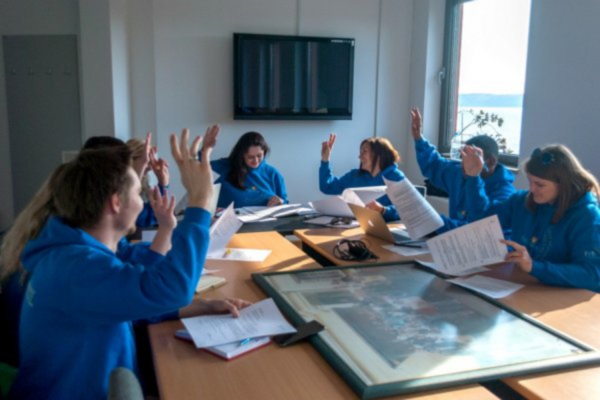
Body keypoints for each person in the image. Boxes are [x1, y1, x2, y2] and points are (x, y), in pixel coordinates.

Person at [8, 129, 250, 399]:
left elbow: (123, 300)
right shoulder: (76, 269)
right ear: (116, 202)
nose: (142, 202)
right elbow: (173, 288)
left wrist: (200, 307)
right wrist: (200, 203)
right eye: (137, 192)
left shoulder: (68, 256)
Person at [462, 144, 600, 292]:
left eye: (540, 185)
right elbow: (482, 221)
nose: (532, 189)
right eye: (530, 181)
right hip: (526, 287)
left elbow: (592, 275)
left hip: (564, 297)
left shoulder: (587, 215)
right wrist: (473, 177)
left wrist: (533, 266)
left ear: (563, 185)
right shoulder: (522, 200)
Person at [410, 108, 515, 231]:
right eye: (463, 159)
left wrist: (434, 221)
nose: (465, 166)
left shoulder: (505, 196)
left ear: (491, 162)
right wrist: (419, 139)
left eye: (472, 160)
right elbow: (434, 164)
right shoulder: (459, 173)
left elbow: (480, 228)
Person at [319, 133, 405, 221]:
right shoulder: (354, 176)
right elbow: (327, 187)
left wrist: (382, 210)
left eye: (364, 151)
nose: (359, 156)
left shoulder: (396, 177)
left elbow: (404, 210)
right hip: (356, 226)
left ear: (379, 155)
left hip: (386, 227)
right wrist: (325, 160)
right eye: (360, 152)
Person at [204, 128, 288, 208]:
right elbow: (200, 166)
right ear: (241, 155)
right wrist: (205, 149)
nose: (256, 160)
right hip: (231, 217)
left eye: (259, 156)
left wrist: (281, 202)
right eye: (250, 157)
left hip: (265, 218)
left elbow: (284, 203)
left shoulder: (272, 174)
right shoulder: (224, 166)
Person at [126, 137, 171, 228]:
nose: (150, 167)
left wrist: (163, 183)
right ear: (131, 160)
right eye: (146, 160)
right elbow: (144, 218)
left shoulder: (144, 184)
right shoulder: (118, 186)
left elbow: (157, 213)